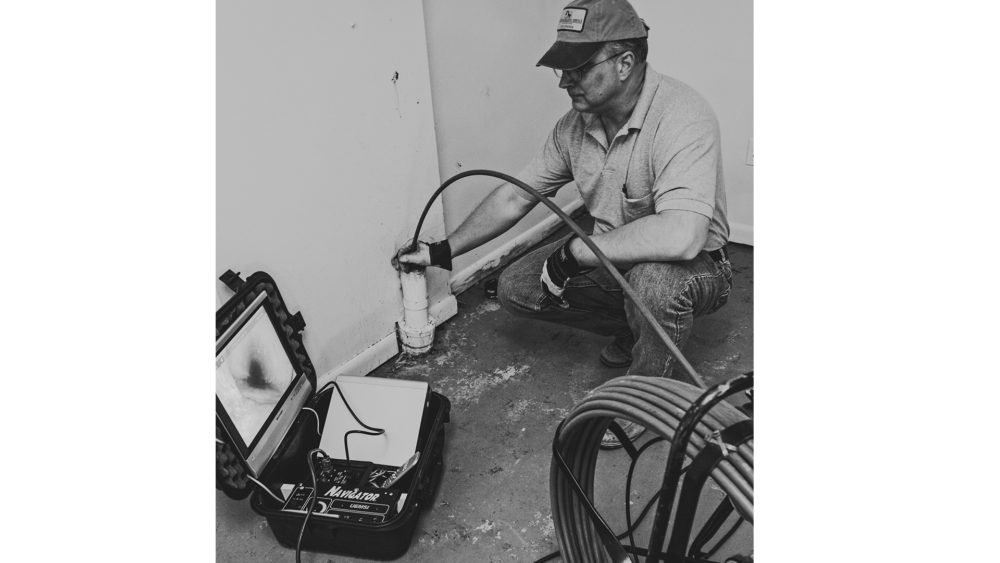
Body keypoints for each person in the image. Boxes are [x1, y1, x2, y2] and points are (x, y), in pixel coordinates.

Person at [395, 0, 733, 447]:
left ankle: (651, 397)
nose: (563, 79)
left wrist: (576, 252)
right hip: (618, 260)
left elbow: (684, 235)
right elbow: (516, 194)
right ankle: (634, 326)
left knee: (655, 283)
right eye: (561, 66)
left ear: (625, 63)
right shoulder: (575, 126)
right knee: (517, 286)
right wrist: (442, 252)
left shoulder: (682, 117)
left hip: (699, 268)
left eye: (577, 66)